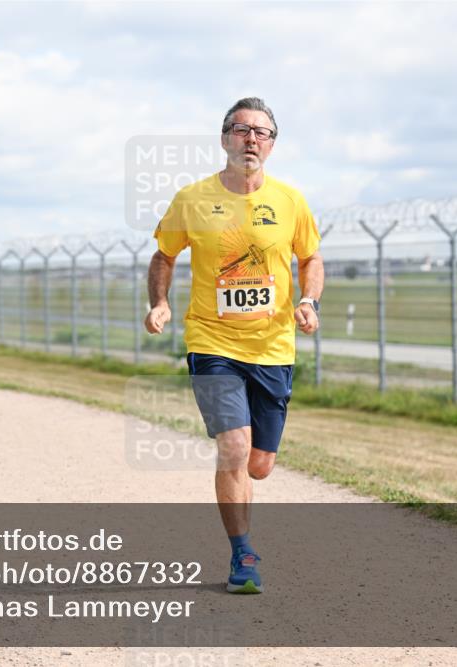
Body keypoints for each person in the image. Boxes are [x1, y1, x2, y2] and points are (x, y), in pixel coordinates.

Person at [144, 98, 324, 594]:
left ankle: (246, 510)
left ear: (272, 144)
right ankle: (242, 554)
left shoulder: (290, 201)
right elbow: (164, 255)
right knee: (234, 447)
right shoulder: (192, 199)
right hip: (212, 339)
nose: (251, 139)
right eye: (240, 129)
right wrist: (160, 302)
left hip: (273, 348)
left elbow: (311, 259)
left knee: (260, 464)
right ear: (224, 138)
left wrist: (309, 300)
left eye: (261, 132)